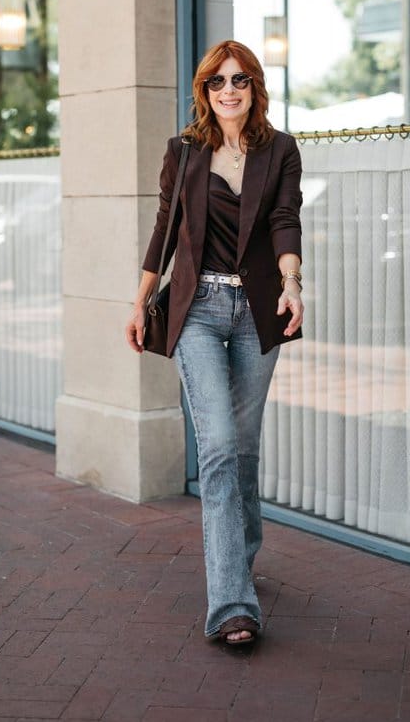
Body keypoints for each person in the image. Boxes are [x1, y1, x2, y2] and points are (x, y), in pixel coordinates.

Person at [125, 40, 303, 645]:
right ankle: (232, 604)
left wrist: (292, 283)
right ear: (203, 91)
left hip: (256, 311)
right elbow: (164, 230)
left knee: (244, 445)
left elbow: (285, 218)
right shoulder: (185, 152)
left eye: (240, 80)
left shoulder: (279, 150)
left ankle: (241, 548)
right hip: (197, 309)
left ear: (255, 88)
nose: (228, 90)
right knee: (220, 447)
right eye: (217, 82)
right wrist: (138, 300)